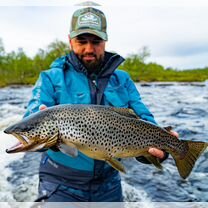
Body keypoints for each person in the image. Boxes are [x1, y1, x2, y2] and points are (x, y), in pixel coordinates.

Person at [24, 7, 178, 202]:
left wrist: (160, 149)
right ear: (70, 41)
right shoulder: (50, 78)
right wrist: (42, 128)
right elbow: (30, 122)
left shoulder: (122, 80)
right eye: (82, 41)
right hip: (59, 182)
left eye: (96, 42)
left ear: (105, 41)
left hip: (109, 182)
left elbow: (145, 121)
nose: (89, 49)